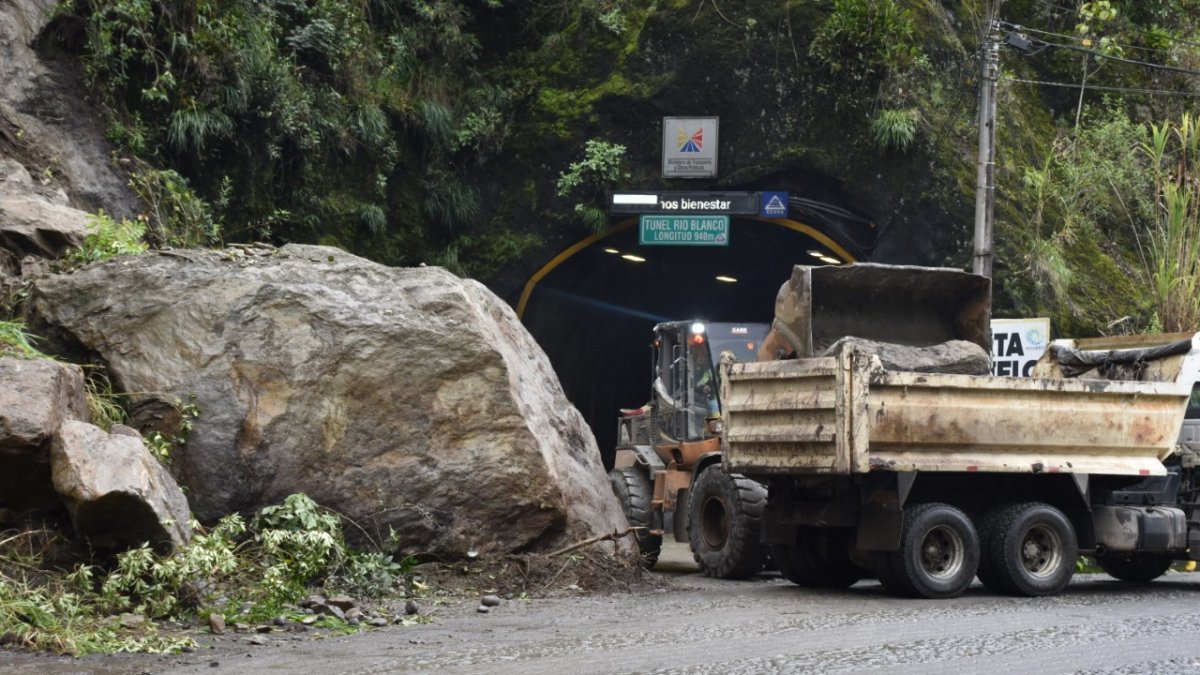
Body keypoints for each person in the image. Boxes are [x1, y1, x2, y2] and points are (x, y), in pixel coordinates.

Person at [693, 347, 719, 416]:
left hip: (725, 399)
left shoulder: (729, 372)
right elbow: (699, 384)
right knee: (715, 407)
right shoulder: (709, 372)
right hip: (713, 399)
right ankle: (717, 421)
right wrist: (703, 387)